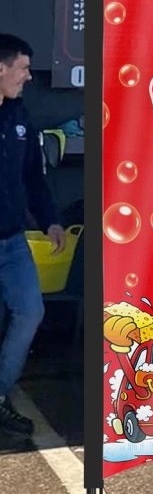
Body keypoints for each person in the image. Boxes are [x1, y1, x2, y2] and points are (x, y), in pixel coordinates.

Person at [0, 33, 65, 437]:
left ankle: (0, 396)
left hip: (12, 240)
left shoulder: (20, 117)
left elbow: (33, 178)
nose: (27, 76)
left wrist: (51, 220)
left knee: (31, 312)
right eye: (22, 68)